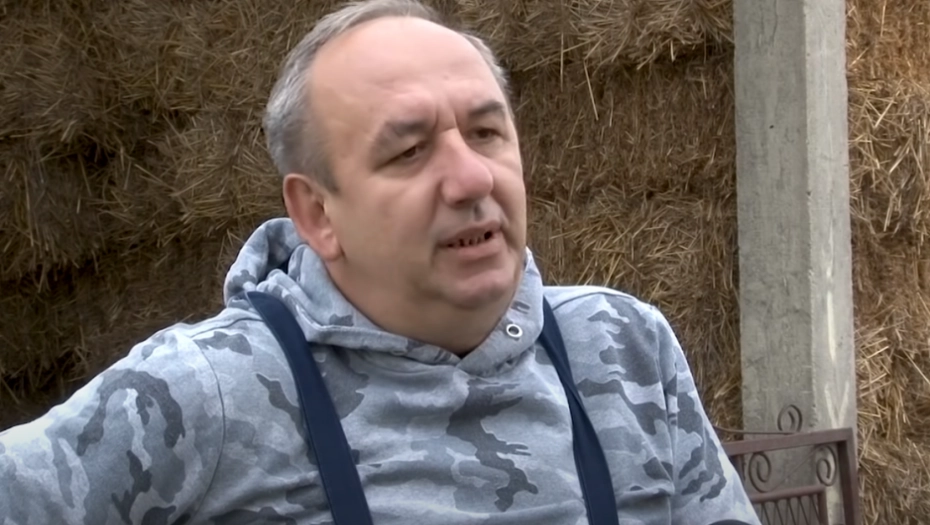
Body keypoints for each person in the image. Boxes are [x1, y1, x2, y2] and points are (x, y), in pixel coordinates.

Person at [0, 1, 761, 523]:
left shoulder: (623, 346)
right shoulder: (207, 392)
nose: (471, 179)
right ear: (317, 214)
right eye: (409, 150)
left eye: (486, 133)